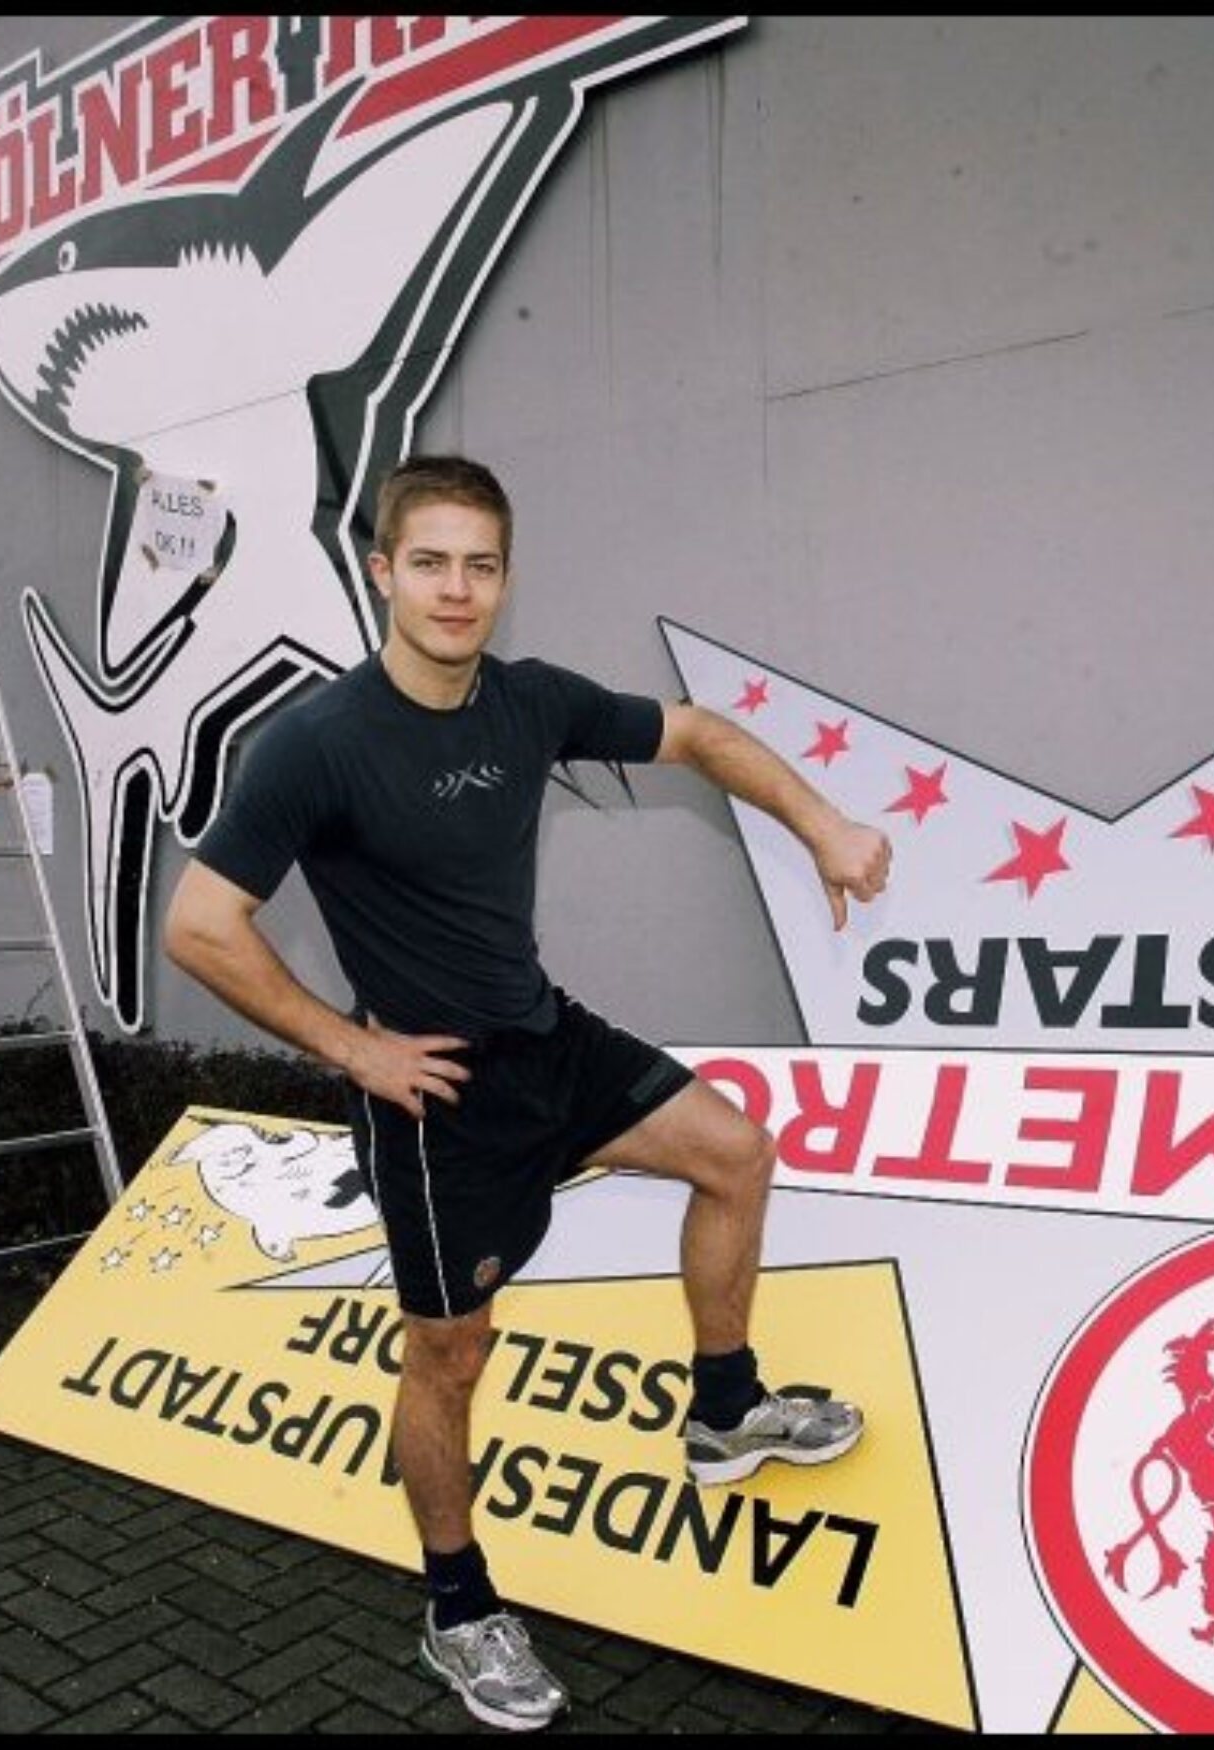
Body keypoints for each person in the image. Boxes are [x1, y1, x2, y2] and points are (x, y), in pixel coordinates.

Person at [163, 454, 891, 1731]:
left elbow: (694, 731)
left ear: (504, 579)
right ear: (383, 574)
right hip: (434, 1096)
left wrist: (820, 821)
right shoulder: (318, 744)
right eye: (430, 563)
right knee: (452, 1355)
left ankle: (726, 1412)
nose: (457, 589)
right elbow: (200, 924)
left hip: (547, 1040)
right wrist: (354, 1051)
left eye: (481, 565)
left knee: (736, 1154)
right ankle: (458, 1607)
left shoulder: (528, 700)